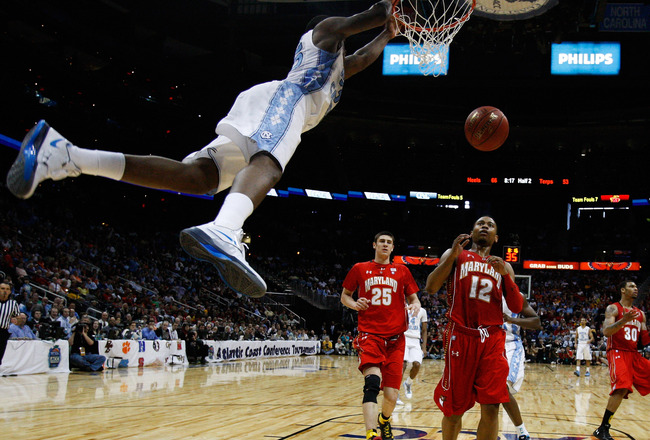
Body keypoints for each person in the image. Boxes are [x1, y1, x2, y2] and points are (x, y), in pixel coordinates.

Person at [6, 0, 399, 299]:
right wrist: (391, 9)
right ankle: (227, 229)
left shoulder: (337, 72)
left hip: (273, 105)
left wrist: (389, 34)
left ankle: (67, 155)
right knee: (269, 163)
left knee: (198, 177)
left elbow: (363, 58)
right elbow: (369, 14)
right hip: (285, 100)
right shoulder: (324, 32)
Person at [424, 216, 524, 440]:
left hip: (492, 338)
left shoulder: (503, 266)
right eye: (480, 224)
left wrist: (506, 275)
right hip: (461, 333)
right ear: (472, 231)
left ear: (496, 237)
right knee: (455, 408)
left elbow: (517, 306)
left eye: (490, 225)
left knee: (492, 405)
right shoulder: (456, 256)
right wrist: (452, 255)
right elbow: (431, 287)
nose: (485, 227)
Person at [341, 231, 421, 440]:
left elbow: (415, 299)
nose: (385, 245)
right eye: (382, 242)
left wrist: (414, 304)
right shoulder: (360, 268)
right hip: (370, 336)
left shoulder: (402, 271)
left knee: (391, 395)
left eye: (389, 242)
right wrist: (354, 304)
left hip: (396, 340)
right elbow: (345, 296)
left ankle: (384, 420)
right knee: (372, 383)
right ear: (374, 245)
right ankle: (371, 434)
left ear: (393, 248)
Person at [592, 280, 650, 440]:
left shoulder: (641, 314)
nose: (636, 288)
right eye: (632, 286)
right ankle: (602, 428)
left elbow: (645, 340)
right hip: (617, 352)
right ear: (623, 290)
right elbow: (606, 331)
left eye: (637, 286)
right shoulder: (613, 308)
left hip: (634, 354)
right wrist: (624, 320)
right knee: (622, 387)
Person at [502, 297, 541, 440]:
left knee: (502, 388)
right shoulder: (482, 292)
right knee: (488, 397)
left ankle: (522, 431)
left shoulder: (516, 296)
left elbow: (536, 322)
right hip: (487, 343)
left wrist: (512, 320)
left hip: (510, 344)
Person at [399, 303, 428, 403]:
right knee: (402, 364)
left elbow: (424, 330)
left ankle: (408, 383)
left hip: (415, 340)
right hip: (403, 338)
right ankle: (396, 392)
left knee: (417, 364)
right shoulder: (402, 307)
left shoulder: (423, 311)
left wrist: (423, 347)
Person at [0, 282, 20, 365]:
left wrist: (16, 320)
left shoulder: (13, 304)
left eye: (7, 289)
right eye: (2, 288)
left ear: (10, 292)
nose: (5, 291)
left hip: (3, 332)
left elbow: (18, 318)